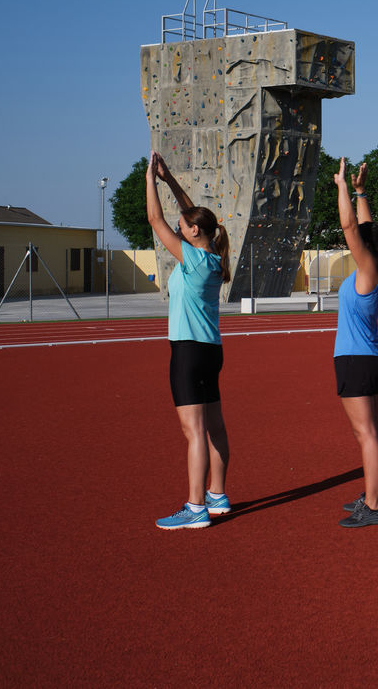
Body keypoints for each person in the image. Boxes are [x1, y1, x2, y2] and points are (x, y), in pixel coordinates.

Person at [145, 151, 232, 530]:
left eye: (185, 226)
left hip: (187, 351)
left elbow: (155, 219)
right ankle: (217, 495)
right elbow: (192, 215)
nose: (180, 227)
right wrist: (169, 180)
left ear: (194, 232)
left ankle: (195, 508)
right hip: (211, 351)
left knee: (193, 431)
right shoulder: (212, 256)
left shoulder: (193, 259)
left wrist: (150, 179)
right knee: (214, 426)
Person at [334, 159, 378, 528]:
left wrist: (342, 186)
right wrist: (361, 192)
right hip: (366, 357)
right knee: (371, 432)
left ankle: (374, 504)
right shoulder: (375, 269)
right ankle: (373, 494)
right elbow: (362, 227)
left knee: (367, 434)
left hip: (357, 359)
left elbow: (350, 226)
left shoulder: (368, 269)